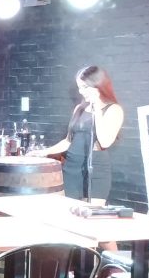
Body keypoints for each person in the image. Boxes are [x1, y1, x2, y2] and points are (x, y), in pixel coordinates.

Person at [30, 65, 124, 205]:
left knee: (90, 213)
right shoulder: (79, 108)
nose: (81, 91)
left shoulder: (113, 110)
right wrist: (44, 152)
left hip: (95, 168)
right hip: (71, 167)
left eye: (85, 87)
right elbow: (68, 141)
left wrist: (97, 107)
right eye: (79, 87)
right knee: (68, 210)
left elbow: (105, 142)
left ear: (97, 85)